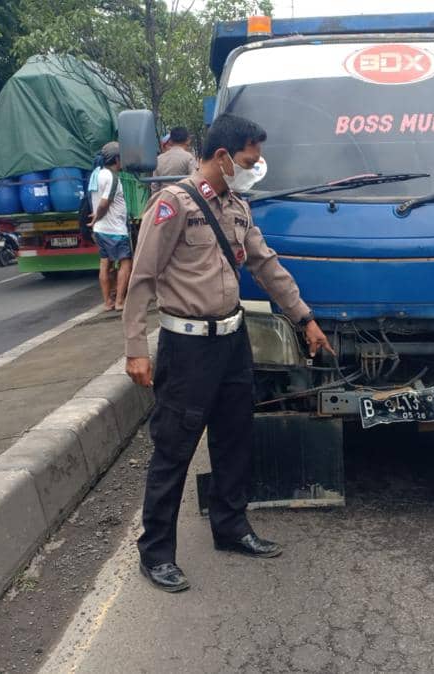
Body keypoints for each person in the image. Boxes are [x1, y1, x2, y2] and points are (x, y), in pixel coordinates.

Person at [120, 114, 333, 593]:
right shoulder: (172, 205)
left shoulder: (238, 208)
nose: (254, 167)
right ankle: (155, 553)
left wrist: (306, 319)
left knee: (235, 440)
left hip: (233, 341)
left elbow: (266, 265)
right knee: (173, 451)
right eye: (249, 160)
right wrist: (135, 347)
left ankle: (231, 528)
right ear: (222, 157)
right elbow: (143, 279)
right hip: (187, 347)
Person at [90, 142, 133, 311]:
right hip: (114, 229)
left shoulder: (96, 174)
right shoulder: (112, 177)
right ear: (116, 159)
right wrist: (96, 217)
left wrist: (96, 222)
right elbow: (104, 203)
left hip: (100, 230)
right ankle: (120, 301)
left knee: (105, 264)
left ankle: (107, 302)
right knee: (125, 263)